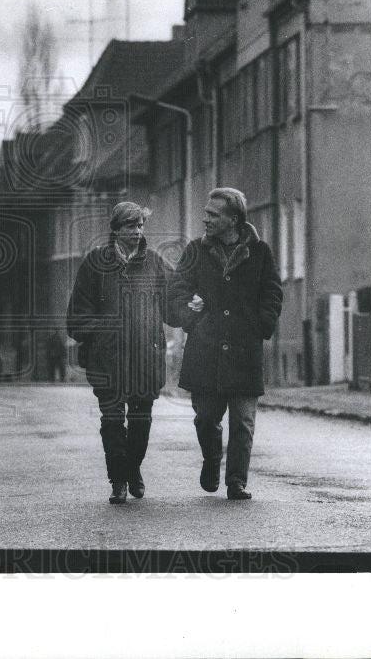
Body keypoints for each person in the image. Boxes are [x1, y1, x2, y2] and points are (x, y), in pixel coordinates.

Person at [168, 188, 283, 500]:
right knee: (205, 418)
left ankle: (236, 481)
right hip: (206, 350)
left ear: (234, 219)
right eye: (206, 213)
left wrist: (262, 324)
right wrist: (193, 321)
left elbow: (272, 292)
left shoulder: (259, 251)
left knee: (243, 422)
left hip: (246, 349)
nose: (205, 219)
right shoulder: (195, 251)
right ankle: (211, 458)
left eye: (213, 215)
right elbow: (177, 291)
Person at [67, 201, 175, 504]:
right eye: (130, 226)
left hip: (145, 356)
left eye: (140, 226)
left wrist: (195, 305)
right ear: (115, 230)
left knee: (141, 423)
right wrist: (102, 331)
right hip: (108, 359)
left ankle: (133, 468)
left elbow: (173, 305)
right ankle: (118, 481)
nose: (137, 232)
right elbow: (77, 315)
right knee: (112, 421)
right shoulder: (94, 264)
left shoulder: (154, 263)